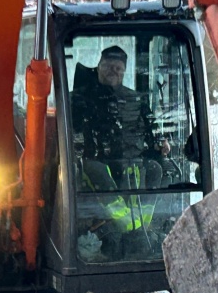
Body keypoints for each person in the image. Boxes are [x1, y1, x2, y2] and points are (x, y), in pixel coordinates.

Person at [71, 45, 169, 195]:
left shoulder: (136, 100)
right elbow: (70, 132)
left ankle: (147, 218)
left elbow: (151, 126)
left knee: (154, 169)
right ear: (98, 68)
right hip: (91, 164)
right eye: (108, 66)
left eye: (118, 68)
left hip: (130, 163)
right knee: (99, 172)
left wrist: (161, 141)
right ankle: (121, 218)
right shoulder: (77, 99)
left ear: (124, 72)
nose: (113, 71)